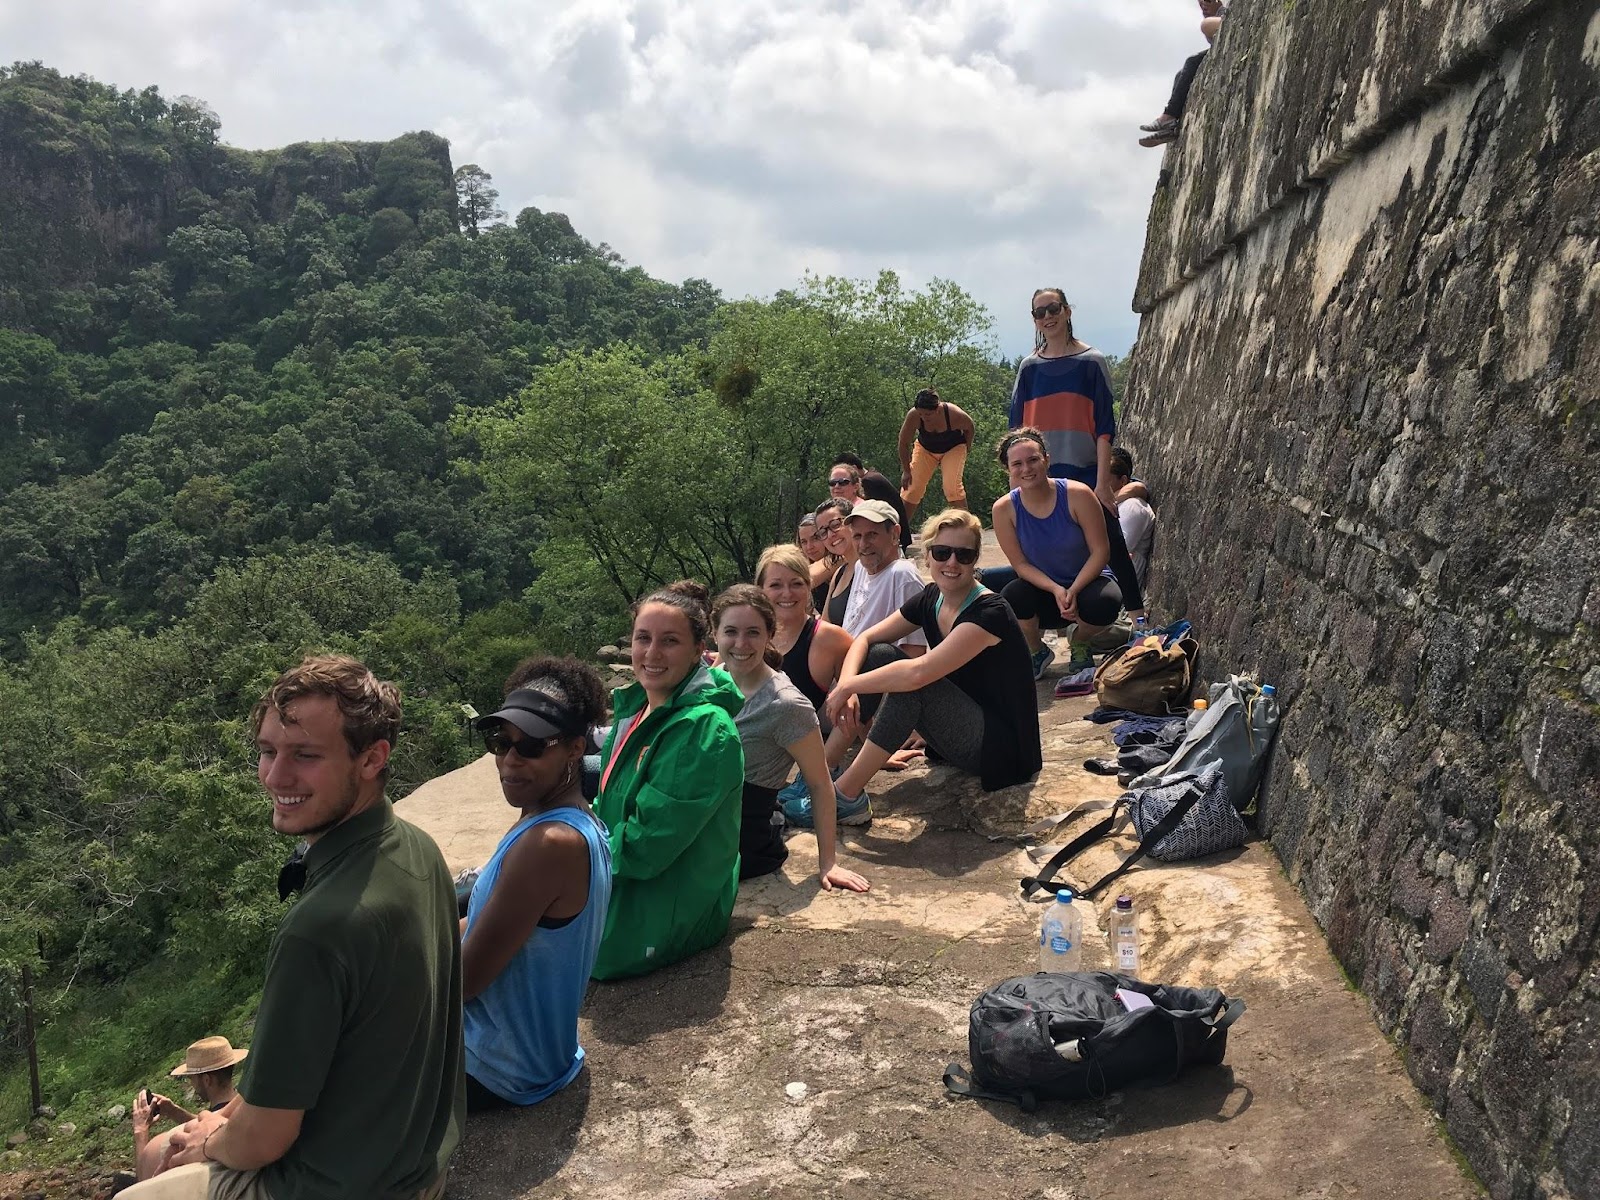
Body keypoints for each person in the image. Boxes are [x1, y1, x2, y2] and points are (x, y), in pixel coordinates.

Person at [125, 655, 462, 1200]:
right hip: (417, 1158)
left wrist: (209, 1141)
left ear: (373, 758)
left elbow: (262, 1140)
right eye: (266, 750)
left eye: (305, 756)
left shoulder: (319, 929)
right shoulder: (416, 850)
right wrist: (227, 1116)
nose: (275, 777)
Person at [461, 657, 613, 1111]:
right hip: (538, 1053)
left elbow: (463, 982)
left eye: (531, 746)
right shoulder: (570, 820)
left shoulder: (548, 844)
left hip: (496, 1065)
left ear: (573, 748)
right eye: (500, 742)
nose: (510, 760)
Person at [822, 509, 1042, 809]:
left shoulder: (991, 613)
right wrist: (848, 684)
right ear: (927, 555)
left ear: (975, 560)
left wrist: (846, 688)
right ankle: (824, 769)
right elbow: (866, 639)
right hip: (962, 728)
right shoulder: (931, 597)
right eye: (942, 552)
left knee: (913, 685)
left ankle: (843, 797)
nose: (951, 562)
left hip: (1000, 748)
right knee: (879, 655)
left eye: (963, 555)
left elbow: (918, 673)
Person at [592, 581, 745, 980]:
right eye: (643, 638)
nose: (652, 653)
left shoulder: (703, 730)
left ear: (699, 651)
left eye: (670, 641)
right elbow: (608, 806)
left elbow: (646, 847)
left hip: (668, 904)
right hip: (624, 875)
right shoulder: (640, 707)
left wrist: (568, 862)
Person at [712, 584, 872, 891]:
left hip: (738, 839)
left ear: (770, 634)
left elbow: (820, 784)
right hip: (701, 818)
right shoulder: (712, 681)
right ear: (715, 633)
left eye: (754, 633)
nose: (741, 643)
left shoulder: (786, 705)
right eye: (730, 632)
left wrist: (828, 863)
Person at [1008, 287, 1148, 624]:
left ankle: (1139, 622)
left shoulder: (1092, 362)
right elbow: (1016, 433)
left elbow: (1103, 428)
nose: (1048, 317)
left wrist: (1102, 483)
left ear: (1068, 311)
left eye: (1053, 308)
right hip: (1040, 474)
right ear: (1034, 320)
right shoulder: (1029, 368)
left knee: (1113, 543)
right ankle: (1039, 635)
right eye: (1040, 312)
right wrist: (1013, 484)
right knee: (1035, 553)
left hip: (1084, 470)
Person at [992, 430, 1124, 693]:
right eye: (1017, 464)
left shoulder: (1077, 494)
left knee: (1106, 602)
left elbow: (1101, 552)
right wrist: (1055, 589)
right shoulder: (1004, 509)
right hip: (1044, 589)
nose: (1026, 469)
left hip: (1087, 583)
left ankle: (1081, 641)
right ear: (1008, 469)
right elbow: (1020, 565)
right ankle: (1036, 650)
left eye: (1033, 460)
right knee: (1012, 595)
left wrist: (1073, 589)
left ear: (1046, 460)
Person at [756, 544, 853, 721]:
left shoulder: (830, 639)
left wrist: (823, 751)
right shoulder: (746, 634)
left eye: (796, 584)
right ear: (761, 590)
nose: (787, 593)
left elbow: (855, 713)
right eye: (775, 585)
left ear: (808, 587)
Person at [130, 1039, 247, 1183]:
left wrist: (140, 1130)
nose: (192, 1084)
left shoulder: (187, 1144)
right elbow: (210, 1123)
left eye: (192, 1078)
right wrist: (175, 1112)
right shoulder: (246, 1111)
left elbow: (145, 1182)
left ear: (206, 1080)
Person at [1140, 1, 1227, 147]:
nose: (1203, 7)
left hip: (1221, 40)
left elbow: (1223, 25)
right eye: (1200, 4)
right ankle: (1170, 125)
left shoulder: (1222, 13)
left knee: (1192, 61)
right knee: (1180, 75)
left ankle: (1168, 117)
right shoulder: (1212, 18)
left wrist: (1209, 23)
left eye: (1207, 2)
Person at [898, 388, 974, 516]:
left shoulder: (954, 414)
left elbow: (970, 427)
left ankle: (967, 528)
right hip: (926, 449)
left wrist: (967, 447)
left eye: (927, 414)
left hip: (953, 448)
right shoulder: (914, 416)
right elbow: (903, 443)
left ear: (937, 409)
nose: (924, 417)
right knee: (912, 487)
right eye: (921, 414)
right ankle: (900, 530)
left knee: (952, 488)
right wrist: (906, 470)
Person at [833, 452, 912, 553]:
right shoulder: (873, 477)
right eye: (833, 482)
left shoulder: (868, 482)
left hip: (893, 538)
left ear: (854, 468)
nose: (837, 486)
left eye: (843, 481)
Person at [1108, 446, 1155, 587]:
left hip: (1116, 587)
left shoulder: (1133, 506)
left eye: (1105, 478)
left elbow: (1114, 553)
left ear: (1122, 481)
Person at [812, 498, 859, 623]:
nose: (831, 534)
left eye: (835, 525)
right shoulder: (839, 575)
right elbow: (826, 624)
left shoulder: (872, 568)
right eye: (823, 532)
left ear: (851, 522)